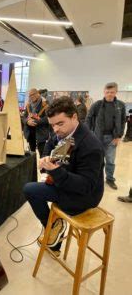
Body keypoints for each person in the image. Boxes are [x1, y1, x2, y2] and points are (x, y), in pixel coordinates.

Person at [23, 96, 104, 255]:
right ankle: (54, 228)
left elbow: (85, 186)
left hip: (83, 197)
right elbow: (50, 143)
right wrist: (47, 158)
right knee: (29, 189)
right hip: (66, 181)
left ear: (74, 117)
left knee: (30, 190)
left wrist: (55, 170)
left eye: (60, 124)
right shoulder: (65, 132)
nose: (56, 129)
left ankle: (53, 226)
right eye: (52, 125)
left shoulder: (91, 146)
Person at [85, 82, 126, 190]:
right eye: (107, 92)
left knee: (110, 161)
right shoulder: (97, 105)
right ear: (104, 92)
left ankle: (110, 179)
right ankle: (95, 180)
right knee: (97, 160)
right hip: (97, 137)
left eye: (112, 92)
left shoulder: (120, 105)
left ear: (116, 92)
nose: (109, 94)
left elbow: (122, 121)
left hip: (112, 138)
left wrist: (118, 136)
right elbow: (88, 119)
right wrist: (88, 135)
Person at [23, 88, 50, 156]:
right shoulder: (28, 105)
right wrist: (27, 122)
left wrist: (36, 121)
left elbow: (48, 118)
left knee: (42, 154)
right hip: (30, 133)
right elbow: (24, 117)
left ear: (38, 94)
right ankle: (33, 166)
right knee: (31, 154)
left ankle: (42, 166)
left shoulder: (45, 104)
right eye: (30, 95)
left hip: (41, 133)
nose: (32, 97)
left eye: (33, 94)